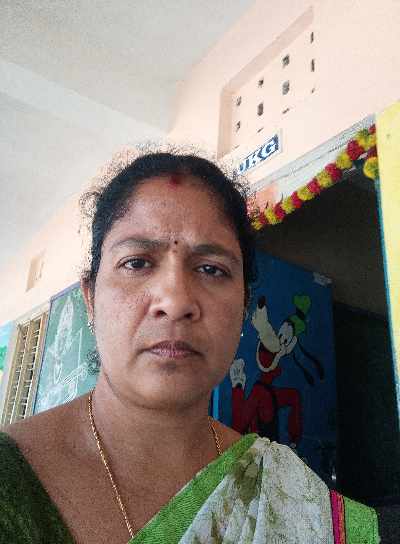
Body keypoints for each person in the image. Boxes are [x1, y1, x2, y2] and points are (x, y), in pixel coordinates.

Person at [0, 152, 384, 543]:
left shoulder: (282, 492)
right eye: (137, 263)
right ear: (90, 299)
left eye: (211, 269)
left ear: (243, 308)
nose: (175, 300)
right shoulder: (10, 477)